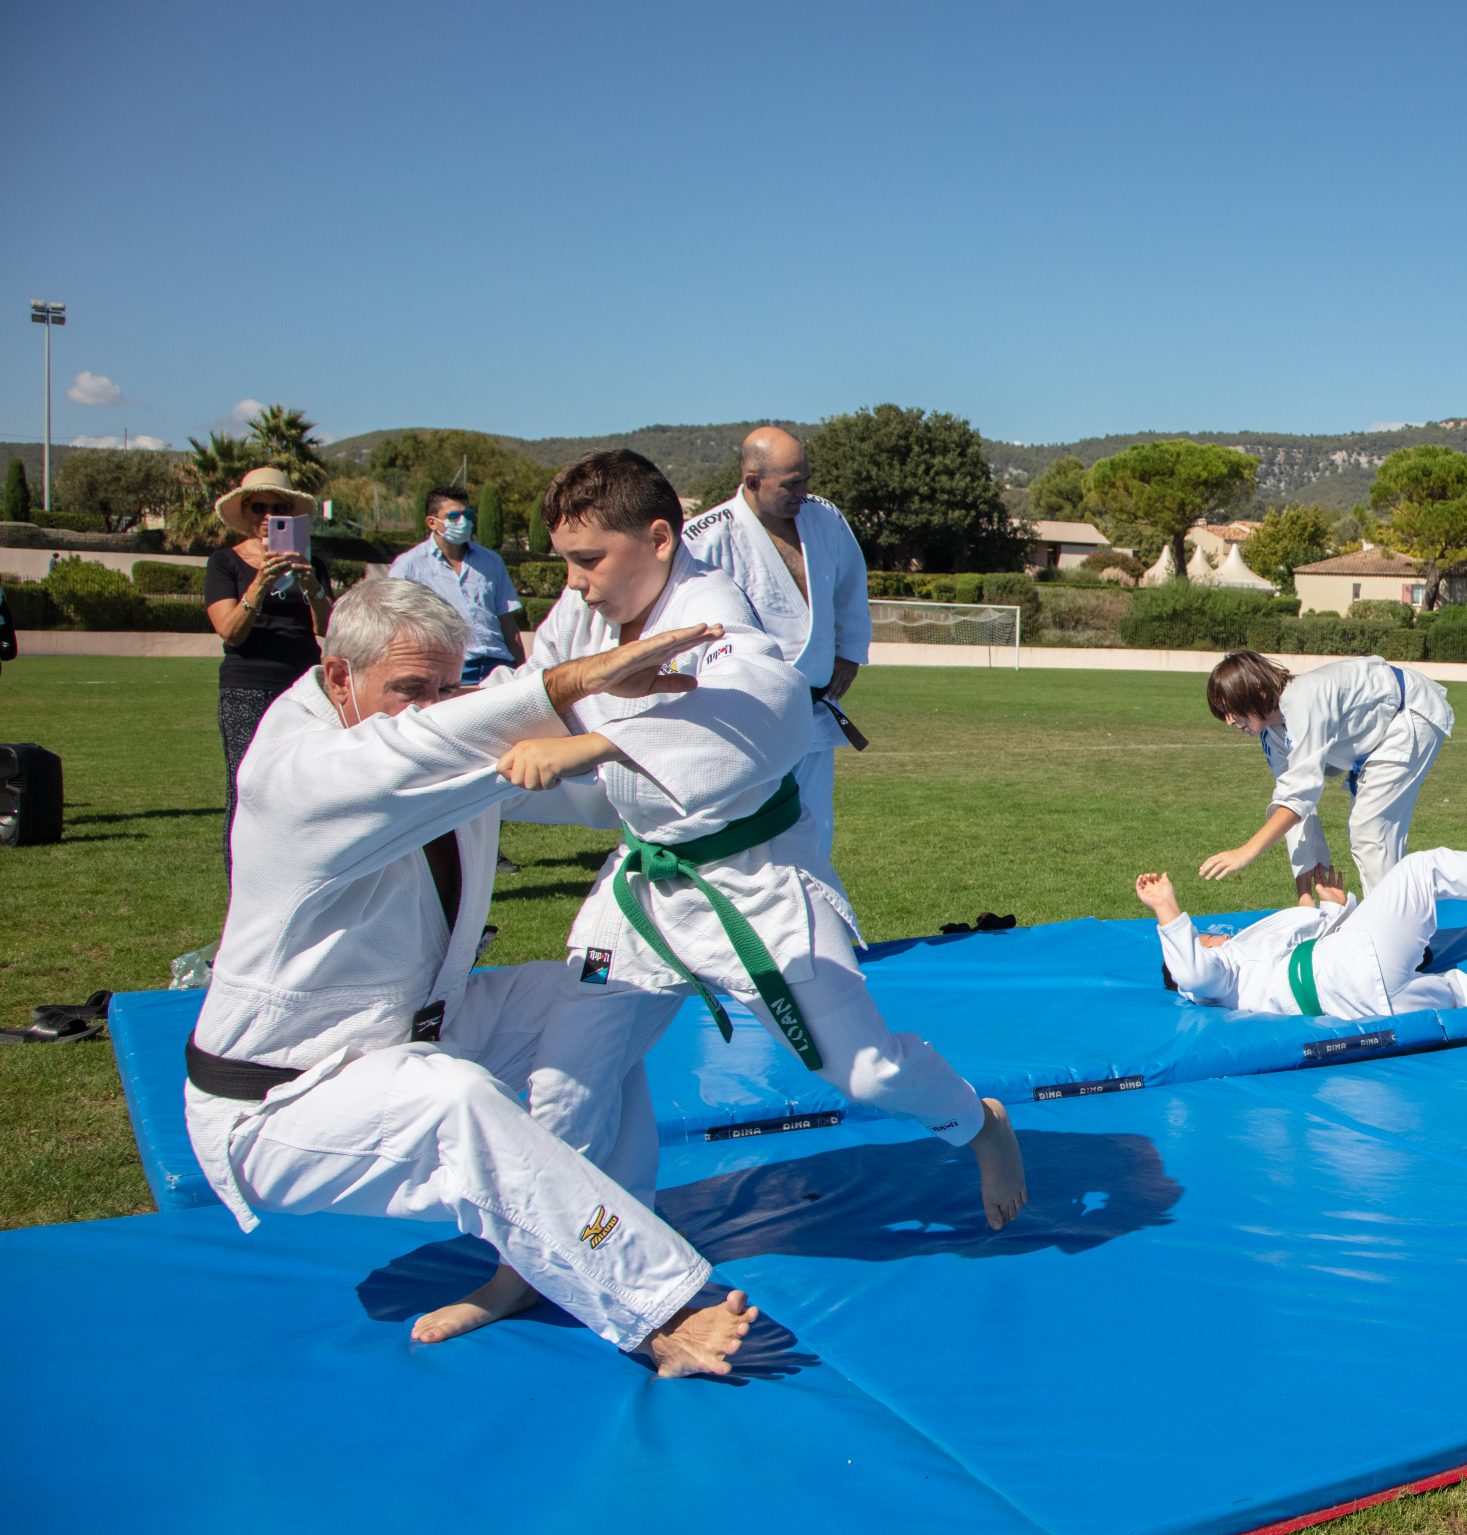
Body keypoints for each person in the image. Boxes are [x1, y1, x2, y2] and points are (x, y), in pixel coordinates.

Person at [182, 576, 757, 1377]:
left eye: (449, 686)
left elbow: (583, 797)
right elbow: (426, 749)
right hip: (282, 1097)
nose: (433, 706)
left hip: (418, 1024)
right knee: (455, 1102)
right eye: (410, 688)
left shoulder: (421, 737)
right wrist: (579, 680)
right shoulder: (298, 773)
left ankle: (587, 1230)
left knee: (602, 988)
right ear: (339, 676)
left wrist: (683, 745)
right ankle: (651, 1303)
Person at [491, 450, 1027, 1231]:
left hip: (755, 885)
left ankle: (981, 1124)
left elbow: (768, 715)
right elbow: (528, 690)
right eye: (567, 563)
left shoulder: (714, 612)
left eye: (588, 560)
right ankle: (562, 1249)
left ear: (659, 538)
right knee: (566, 1082)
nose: (574, 581)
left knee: (867, 1071)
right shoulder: (583, 613)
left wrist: (602, 745)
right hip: (641, 889)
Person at [1145, 828, 1467, 1018]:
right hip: (1349, 968)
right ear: (1195, 947)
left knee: (1464, 991)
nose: (1217, 932)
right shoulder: (1214, 972)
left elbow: (1302, 938)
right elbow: (1191, 971)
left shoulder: (1242, 979)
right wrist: (1167, 908)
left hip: (1364, 1005)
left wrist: (1336, 907)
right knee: (1426, 868)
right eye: (1205, 934)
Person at [681, 427, 869, 873]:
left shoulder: (824, 518)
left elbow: (850, 584)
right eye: (790, 484)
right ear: (751, 481)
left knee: (816, 825)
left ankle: (818, 924)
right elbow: (686, 622)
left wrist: (849, 651)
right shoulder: (707, 536)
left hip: (815, 705)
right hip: (746, 713)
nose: (803, 492)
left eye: (805, 479)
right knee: (749, 830)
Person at [1198, 649, 1457, 901]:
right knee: (1369, 834)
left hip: (1410, 711)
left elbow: (1301, 793)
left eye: (1232, 709)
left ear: (1257, 692)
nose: (1230, 721)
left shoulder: (1302, 699)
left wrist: (1246, 852)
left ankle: (1400, 933)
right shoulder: (1271, 735)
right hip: (1376, 736)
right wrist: (1305, 896)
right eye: (1223, 714)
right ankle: (1398, 926)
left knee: (1370, 831)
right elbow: (1293, 806)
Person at [203, 467, 331, 867]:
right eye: (259, 507)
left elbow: (328, 628)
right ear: (246, 510)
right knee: (247, 786)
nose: (267, 515)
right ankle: (243, 886)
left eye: (278, 508)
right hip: (248, 684)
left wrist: (310, 585)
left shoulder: (311, 563)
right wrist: (260, 582)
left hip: (304, 685)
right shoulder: (225, 563)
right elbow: (231, 632)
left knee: (306, 785)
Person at [387, 486, 527, 685]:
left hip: (499, 667)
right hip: (452, 670)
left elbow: (507, 620)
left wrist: (522, 669)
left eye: (467, 515)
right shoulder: (409, 566)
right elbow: (395, 624)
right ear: (432, 522)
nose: (463, 522)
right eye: (453, 516)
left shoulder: (491, 561)